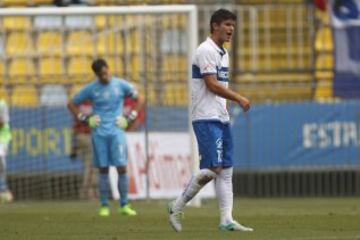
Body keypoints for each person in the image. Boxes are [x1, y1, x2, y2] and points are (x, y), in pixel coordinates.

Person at [168, 9, 254, 232]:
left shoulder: (223, 53)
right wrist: (239, 98)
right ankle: (176, 206)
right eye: (227, 24)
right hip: (205, 118)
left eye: (233, 25)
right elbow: (212, 85)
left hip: (220, 117)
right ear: (215, 25)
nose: (231, 29)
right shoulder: (205, 50)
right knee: (214, 167)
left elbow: (220, 87)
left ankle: (226, 220)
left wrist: (226, 108)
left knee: (226, 170)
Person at [67, 58, 143, 217]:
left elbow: (140, 99)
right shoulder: (91, 89)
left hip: (117, 132)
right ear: (96, 74)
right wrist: (85, 119)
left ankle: (124, 205)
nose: (104, 76)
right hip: (99, 133)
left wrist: (130, 117)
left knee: (121, 167)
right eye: (101, 74)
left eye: (105, 72)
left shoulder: (121, 85)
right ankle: (104, 206)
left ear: (108, 68)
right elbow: (71, 104)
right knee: (103, 169)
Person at [70, 100, 97, 200]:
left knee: (87, 165)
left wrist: (73, 146)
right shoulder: (96, 104)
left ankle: (89, 192)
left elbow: (75, 126)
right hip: (88, 137)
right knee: (92, 165)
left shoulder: (78, 105)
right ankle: (87, 192)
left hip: (79, 137)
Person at [0, 98, 12, 203]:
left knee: (1, 160)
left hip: (2, 138)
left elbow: (2, 123)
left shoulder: (2, 104)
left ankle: (3, 189)